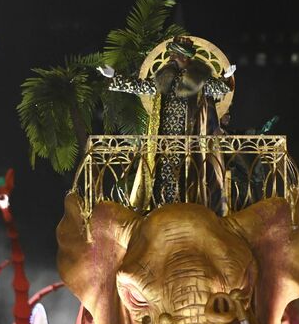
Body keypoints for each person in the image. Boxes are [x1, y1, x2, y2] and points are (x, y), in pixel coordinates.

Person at [98, 36, 236, 209]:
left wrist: (226, 77)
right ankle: (161, 207)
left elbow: (220, 88)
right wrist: (114, 77)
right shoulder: (164, 77)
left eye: (174, 54)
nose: (171, 57)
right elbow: (140, 87)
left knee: (188, 173)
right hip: (165, 139)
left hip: (189, 139)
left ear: (184, 57)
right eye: (171, 54)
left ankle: (187, 208)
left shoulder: (199, 78)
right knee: (163, 173)